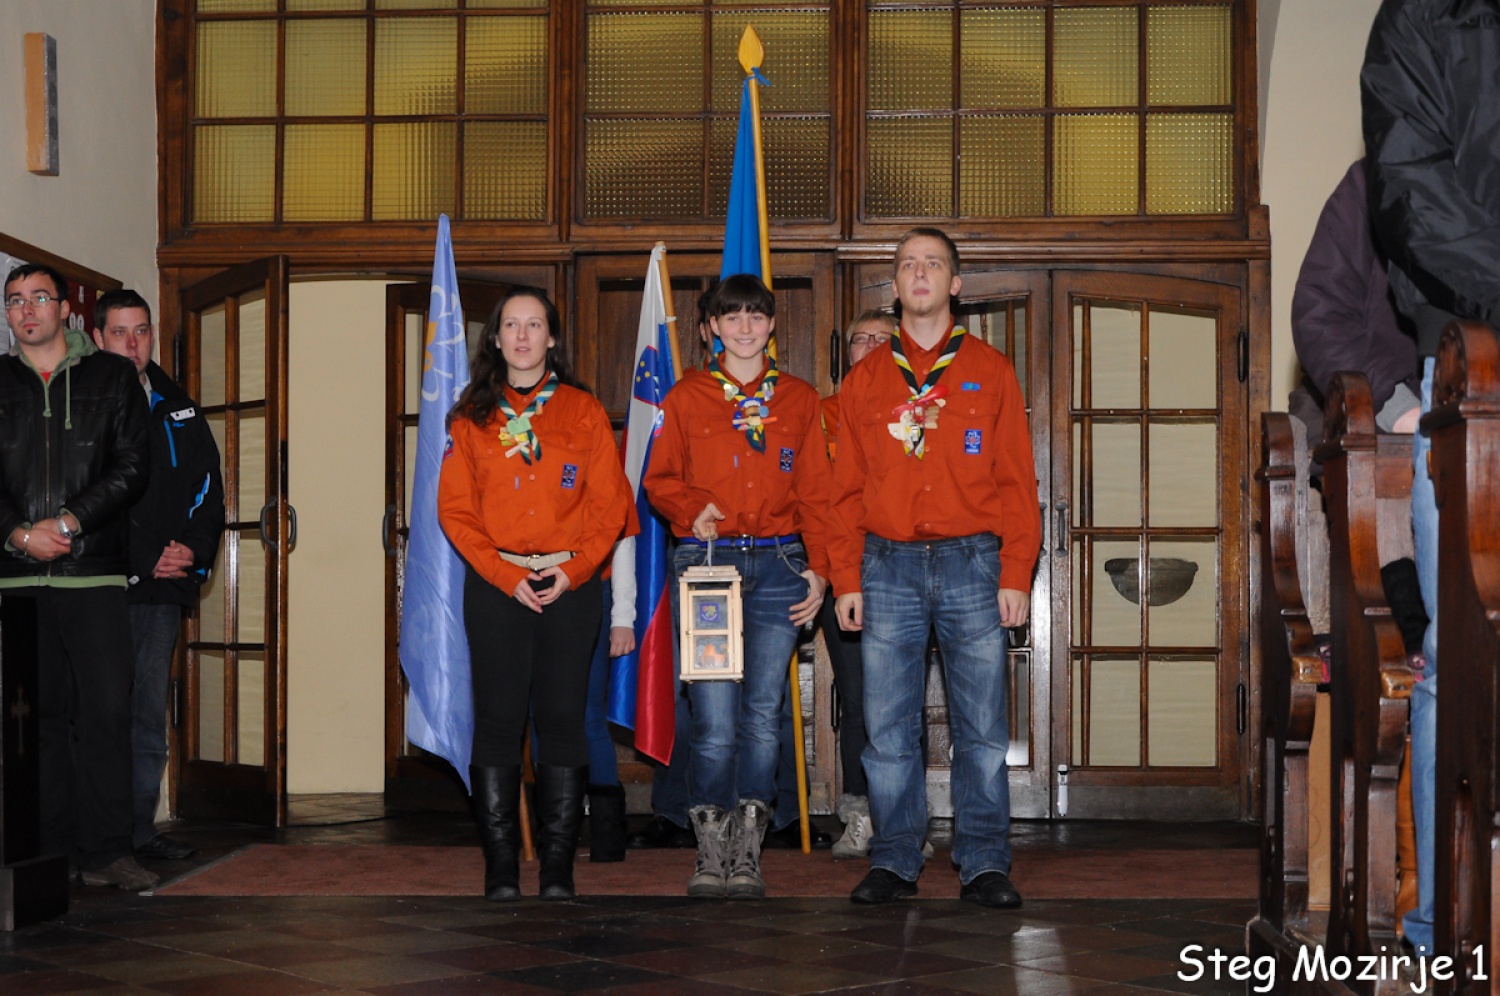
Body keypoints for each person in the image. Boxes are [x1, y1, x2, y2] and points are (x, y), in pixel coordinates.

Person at [828, 228, 1041, 907]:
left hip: (972, 564)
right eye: (907, 265)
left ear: (955, 284)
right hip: (885, 565)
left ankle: (983, 861)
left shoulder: (992, 371)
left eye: (934, 265)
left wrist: (1015, 572)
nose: (920, 274)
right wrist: (845, 578)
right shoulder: (862, 382)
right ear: (893, 287)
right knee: (888, 728)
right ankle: (894, 858)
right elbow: (841, 492)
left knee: (981, 730)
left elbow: (1016, 483)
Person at [1362, 0, 1500, 957]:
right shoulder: (1428, 16)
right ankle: (1442, 931)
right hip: (1476, 378)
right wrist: (1390, 400)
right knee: (1459, 659)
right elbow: (1414, 195)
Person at [438, 286, 634, 901]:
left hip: (570, 588)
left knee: (563, 721)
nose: (523, 337)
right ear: (495, 339)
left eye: (536, 325)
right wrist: (505, 575)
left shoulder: (583, 411)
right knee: (497, 723)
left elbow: (612, 508)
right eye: (511, 326)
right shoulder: (469, 416)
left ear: (552, 338)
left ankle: (557, 870)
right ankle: (500, 870)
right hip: (498, 588)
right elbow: (454, 513)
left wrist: (572, 573)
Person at [644, 273, 834, 899]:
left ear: (772, 326)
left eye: (756, 316)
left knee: (763, 715)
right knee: (715, 716)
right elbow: (660, 478)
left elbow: (817, 493)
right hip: (708, 564)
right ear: (712, 329)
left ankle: (748, 851)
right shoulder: (686, 397)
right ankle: (709, 848)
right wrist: (689, 506)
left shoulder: (800, 400)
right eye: (732, 317)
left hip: (781, 566)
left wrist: (822, 567)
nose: (745, 327)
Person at [0, 264, 153, 890]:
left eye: (40, 298)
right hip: (15, 580)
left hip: (92, 576)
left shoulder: (114, 377)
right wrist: (16, 534)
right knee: (32, 721)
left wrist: (66, 523)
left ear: (66, 310)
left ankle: (108, 850)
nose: (27, 309)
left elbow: (133, 466)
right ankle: (48, 850)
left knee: (105, 717)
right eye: (14, 301)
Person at [90, 289, 225, 865]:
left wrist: (190, 551)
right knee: (96, 713)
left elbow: (207, 489)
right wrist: (142, 552)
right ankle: (94, 838)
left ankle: (139, 831)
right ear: (98, 339)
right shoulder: (82, 402)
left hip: (160, 590)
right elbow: (91, 496)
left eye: (141, 331)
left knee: (147, 713)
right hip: (96, 586)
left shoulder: (179, 407)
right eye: (119, 333)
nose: (132, 344)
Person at [820, 309, 896, 859]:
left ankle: (901, 817)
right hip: (839, 570)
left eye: (881, 340)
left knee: (899, 698)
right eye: (859, 339)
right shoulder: (821, 415)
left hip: (902, 569)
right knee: (856, 698)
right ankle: (860, 814)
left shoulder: (911, 412)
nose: (868, 346)